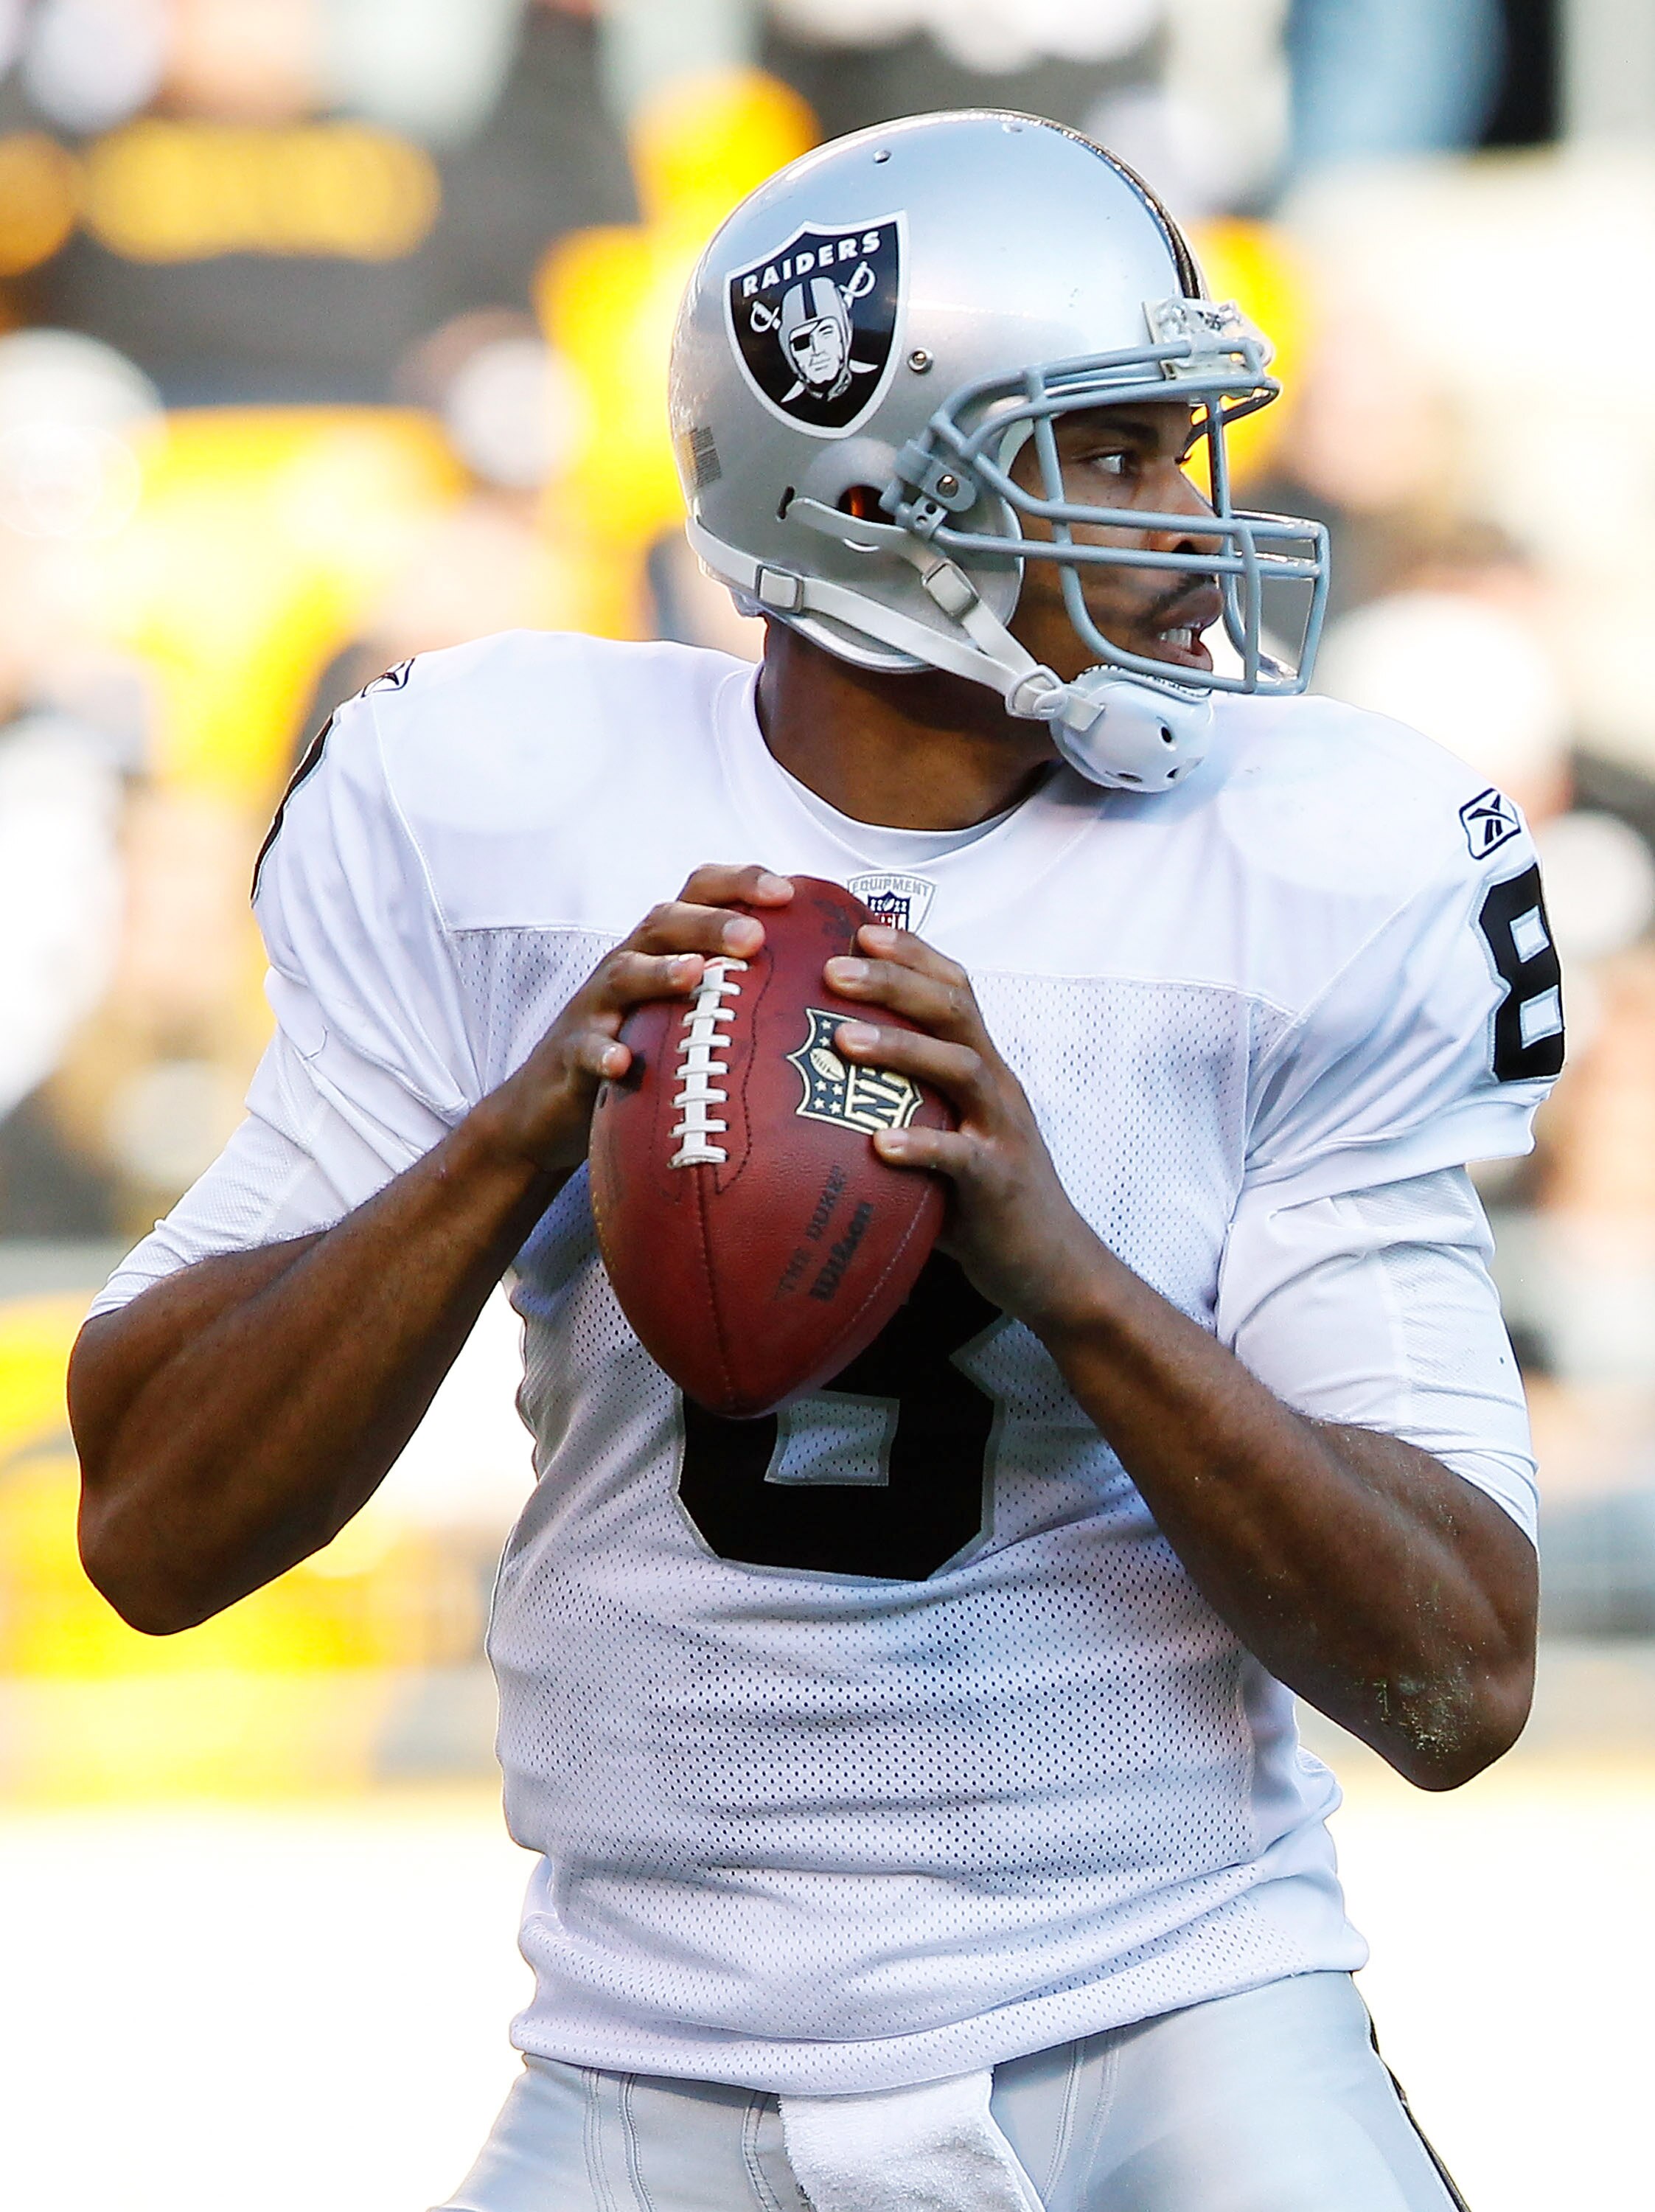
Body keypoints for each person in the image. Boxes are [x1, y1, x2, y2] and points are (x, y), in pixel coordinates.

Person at [69, 114, 1558, 2211]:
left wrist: (1066, 1264)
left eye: (1177, 447)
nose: (1186, 519)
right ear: (873, 491)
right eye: (1109, 455)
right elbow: (150, 1526)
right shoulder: (497, 807)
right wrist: (511, 1141)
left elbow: (1459, 1670)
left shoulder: (1321, 858)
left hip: (1168, 2025)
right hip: (644, 2066)